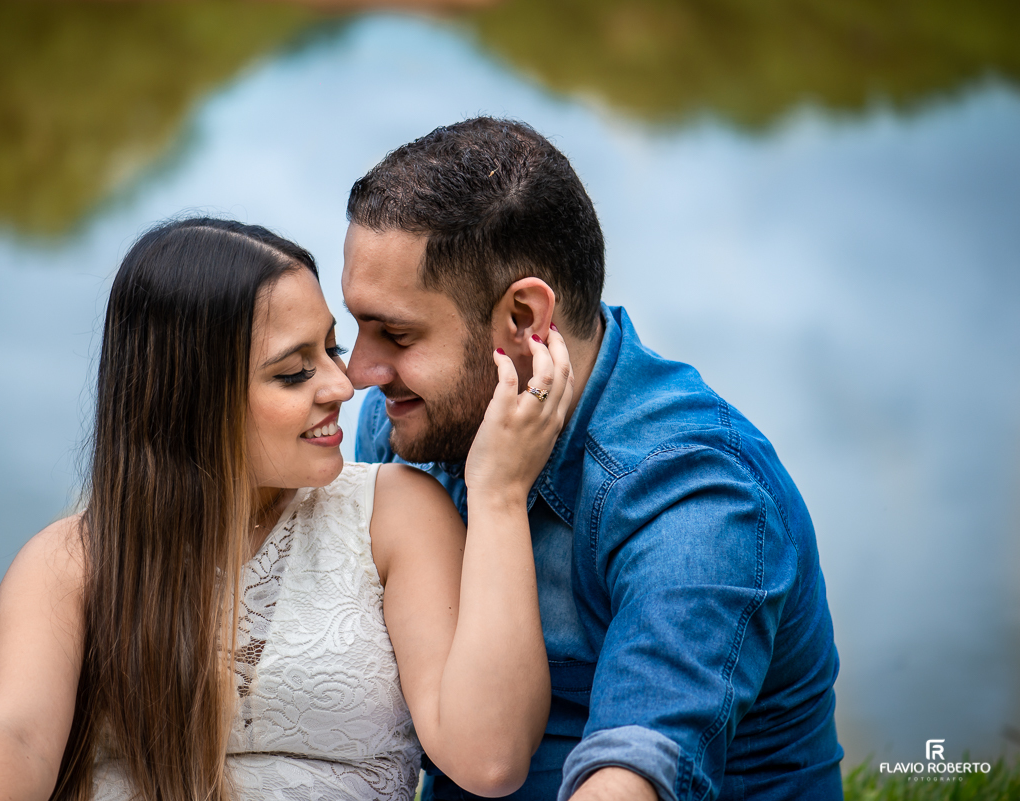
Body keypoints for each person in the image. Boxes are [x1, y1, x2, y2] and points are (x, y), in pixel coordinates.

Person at [0, 217, 573, 801]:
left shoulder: (396, 515)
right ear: (188, 397)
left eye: (331, 349)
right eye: (294, 372)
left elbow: (490, 758)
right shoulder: (69, 563)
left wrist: (498, 495)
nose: (342, 385)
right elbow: (13, 738)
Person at [344, 118, 844, 801]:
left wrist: (496, 495)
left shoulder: (700, 498)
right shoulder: (408, 420)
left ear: (524, 318)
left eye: (396, 334)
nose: (359, 373)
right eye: (358, 325)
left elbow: (631, 777)